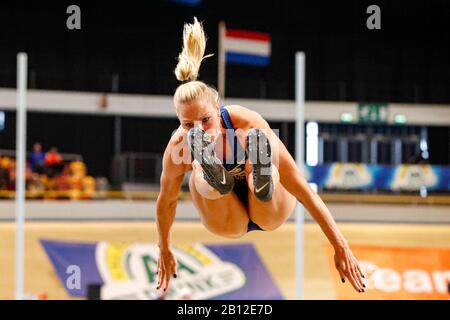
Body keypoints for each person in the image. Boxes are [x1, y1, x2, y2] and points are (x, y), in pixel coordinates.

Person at [156, 18, 366, 295]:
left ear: (218, 109)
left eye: (205, 121)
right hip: (227, 217)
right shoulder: (178, 147)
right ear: (178, 122)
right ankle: (210, 174)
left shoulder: (247, 123)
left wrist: (340, 245)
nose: (198, 130)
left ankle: (260, 175)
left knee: (261, 162)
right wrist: (164, 248)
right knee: (200, 177)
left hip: (269, 208)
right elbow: (166, 201)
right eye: (188, 125)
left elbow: (302, 190)